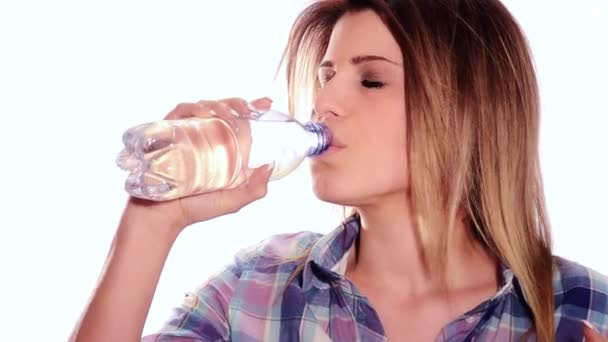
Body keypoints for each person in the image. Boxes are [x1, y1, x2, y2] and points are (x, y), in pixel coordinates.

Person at [70, 0, 608, 341]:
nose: (322, 102)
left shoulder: (583, 308)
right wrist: (151, 221)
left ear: (470, 111)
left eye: (371, 80)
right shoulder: (257, 289)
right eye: (326, 77)